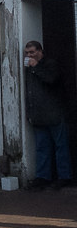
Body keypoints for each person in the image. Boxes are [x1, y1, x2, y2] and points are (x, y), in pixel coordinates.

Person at [23, 40, 72, 190]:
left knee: (60, 146)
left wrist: (36, 67)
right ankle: (43, 177)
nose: (29, 55)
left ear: (40, 51)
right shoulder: (29, 68)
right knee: (41, 147)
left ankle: (64, 176)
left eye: (32, 52)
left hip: (54, 112)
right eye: (27, 53)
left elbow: (51, 79)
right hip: (38, 114)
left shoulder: (50, 64)